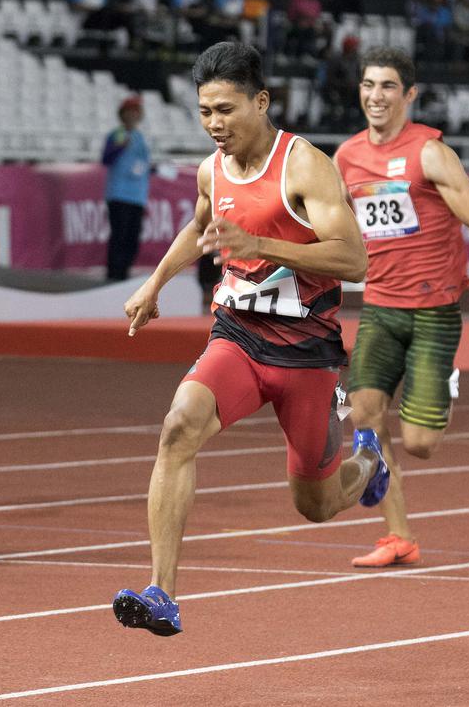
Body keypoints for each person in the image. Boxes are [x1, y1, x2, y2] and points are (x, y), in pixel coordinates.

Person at [111, 41, 389, 636]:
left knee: (314, 506)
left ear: (261, 102)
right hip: (237, 334)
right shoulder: (211, 169)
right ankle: (162, 592)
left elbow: (353, 258)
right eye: (205, 111)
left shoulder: (305, 165)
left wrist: (260, 245)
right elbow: (200, 225)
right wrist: (155, 282)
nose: (215, 124)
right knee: (178, 425)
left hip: (306, 353)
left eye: (227, 110)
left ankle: (368, 460)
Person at [334, 47, 469, 568]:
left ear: (408, 95)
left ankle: (443, 382)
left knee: (420, 443)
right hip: (379, 309)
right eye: (369, 85)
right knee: (364, 415)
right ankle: (399, 536)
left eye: (388, 86)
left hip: (434, 311)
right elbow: (326, 222)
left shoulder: (430, 153)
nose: (376, 96)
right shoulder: (345, 159)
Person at [102, 94, 151, 281]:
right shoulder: (117, 135)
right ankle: (113, 275)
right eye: (129, 112)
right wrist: (119, 146)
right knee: (119, 236)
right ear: (123, 115)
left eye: (136, 112)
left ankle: (124, 273)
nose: (133, 116)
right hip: (119, 194)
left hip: (137, 195)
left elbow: (144, 164)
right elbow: (106, 159)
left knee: (132, 238)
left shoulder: (141, 138)